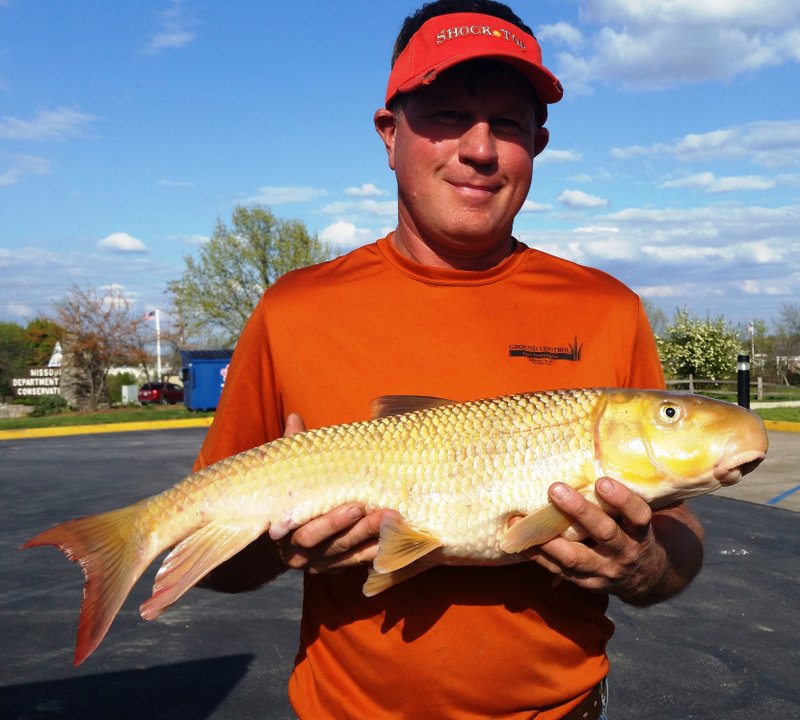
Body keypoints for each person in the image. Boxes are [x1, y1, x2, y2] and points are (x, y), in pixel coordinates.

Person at [195, 1, 705, 718]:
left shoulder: (608, 309)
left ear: (539, 144)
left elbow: (676, 534)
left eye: (508, 123)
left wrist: (644, 561)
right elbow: (210, 559)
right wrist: (282, 548)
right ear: (389, 133)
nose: (480, 148)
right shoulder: (292, 309)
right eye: (444, 114)